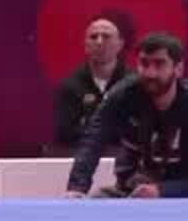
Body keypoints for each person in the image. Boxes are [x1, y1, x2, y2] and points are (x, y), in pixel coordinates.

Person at [65, 32, 188, 198]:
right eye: (144, 64)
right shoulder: (123, 95)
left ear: (178, 69)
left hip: (184, 193)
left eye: (159, 64)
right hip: (133, 188)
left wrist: (162, 190)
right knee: (98, 199)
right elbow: (93, 140)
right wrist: (76, 188)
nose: (150, 73)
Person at [53, 18, 130, 149]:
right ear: (85, 45)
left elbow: (137, 131)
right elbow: (65, 134)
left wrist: (89, 127)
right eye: (93, 37)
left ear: (120, 44)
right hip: (81, 156)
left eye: (106, 36)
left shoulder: (134, 84)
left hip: (125, 156)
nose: (99, 42)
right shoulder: (70, 86)